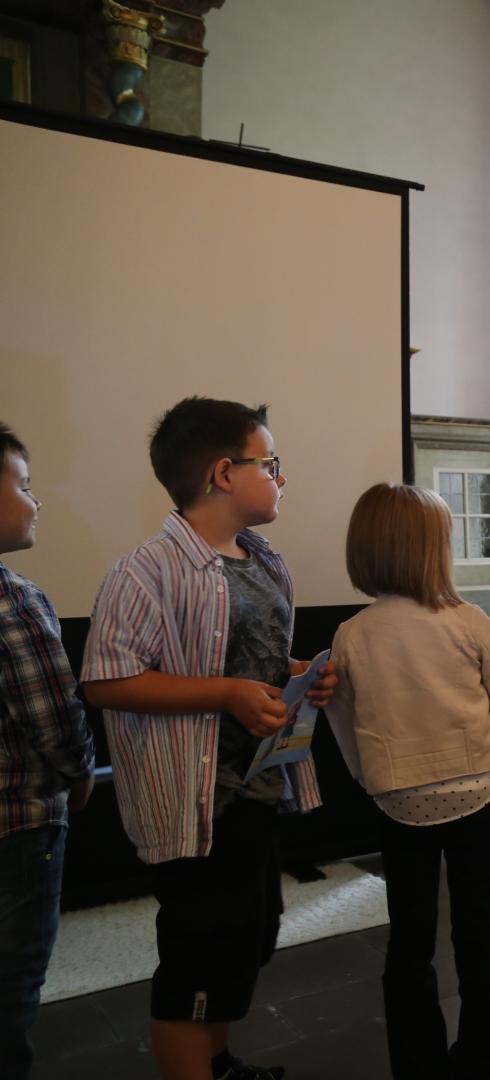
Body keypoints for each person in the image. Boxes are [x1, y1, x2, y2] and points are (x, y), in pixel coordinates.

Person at [80, 397, 336, 1080]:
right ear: (223, 473)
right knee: (196, 956)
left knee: (243, 941)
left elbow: (247, 657)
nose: (282, 478)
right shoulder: (145, 570)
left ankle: (218, 1063)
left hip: (256, 788)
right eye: (270, 463)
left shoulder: (261, 560)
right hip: (195, 805)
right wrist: (224, 695)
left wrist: (296, 677)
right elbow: (106, 681)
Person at [324, 483, 490, 1080]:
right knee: (478, 932)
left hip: (398, 798)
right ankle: (482, 1059)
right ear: (435, 549)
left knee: (409, 939)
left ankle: (417, 1064)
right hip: (477, 790)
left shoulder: (352, 635)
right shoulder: (468, 621)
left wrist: (371, 778)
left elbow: (344, 723)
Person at [0, 422, 96, 1080]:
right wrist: (81, 774)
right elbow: (54, 719)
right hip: (21, 825)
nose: (37, 501)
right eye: (26, 486)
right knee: (13, 983)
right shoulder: (15, 600)